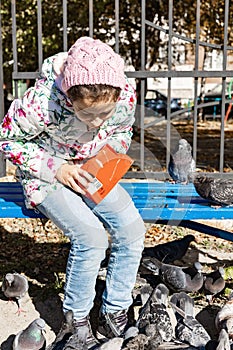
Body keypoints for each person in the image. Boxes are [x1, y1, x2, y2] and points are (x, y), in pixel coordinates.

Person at [0, 37, 146, 349]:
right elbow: (8, 140)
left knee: (132, 229)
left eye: (103, 114)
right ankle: (76, 319)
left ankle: (115, 311)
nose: (96, 124)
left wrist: (103, 162)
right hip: (47, 175)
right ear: (68, 96)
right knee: (91, 237)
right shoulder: (43, 102)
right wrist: (57, 168)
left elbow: (122, 131)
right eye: (87, 114)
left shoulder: (124, 95)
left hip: (90, 171)